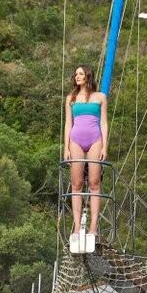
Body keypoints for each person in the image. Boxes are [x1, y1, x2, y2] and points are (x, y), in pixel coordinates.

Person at [64, 65, 108, 243]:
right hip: (75, 140)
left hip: (95, 140)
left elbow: (104, 123)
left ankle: (93, 227)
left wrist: (105, 147)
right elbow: (68, 123)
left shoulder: (100, 97)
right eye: (76, 74)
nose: (77, 76)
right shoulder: (71, 98)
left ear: (88, 76)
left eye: (80, 74)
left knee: (94, 183)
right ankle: (76, 227)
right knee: (76, 183)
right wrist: (66, 148)